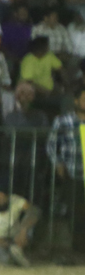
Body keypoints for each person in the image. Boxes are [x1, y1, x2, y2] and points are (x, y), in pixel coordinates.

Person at [46, 84, 85, 260]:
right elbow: (52, 145)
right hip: (73, 172)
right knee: (76, 213)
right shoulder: (63, 121)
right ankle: (78, 251)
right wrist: (58, 163)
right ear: (76, 101)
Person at [0, 180, 39, 267]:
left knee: (29, 223)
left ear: (8, 197)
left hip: (13, 239)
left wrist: (23, 230)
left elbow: (34, 211)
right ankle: (15, 258)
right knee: (0, 255)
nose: (0, 200)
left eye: (3, 197)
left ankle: (17, 252)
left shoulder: (16, 201)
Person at [19, 36, 63, 112]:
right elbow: (28, 83)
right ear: (41, 48)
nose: (48, 48)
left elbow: (60, 69)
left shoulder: (49, 56)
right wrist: (46, 92)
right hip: (34, 93)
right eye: (47, 46)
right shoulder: (28, 60)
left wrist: (65, 86)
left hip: (50, 90)